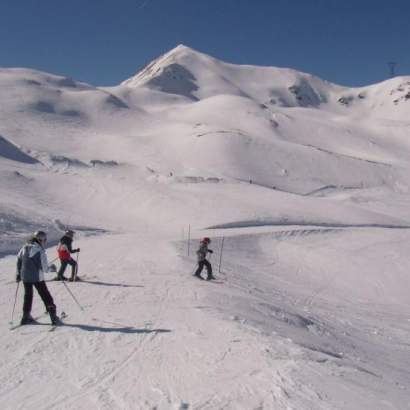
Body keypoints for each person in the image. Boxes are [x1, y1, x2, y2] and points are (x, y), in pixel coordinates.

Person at [16, 231, 60, 325]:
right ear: (40, 239)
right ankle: (53, 316)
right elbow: (45, 268)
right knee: (45, 295)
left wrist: (18, 273)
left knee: (28, 295)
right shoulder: (40, 250)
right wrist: (52, 268)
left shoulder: (25, 247)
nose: (45, 242)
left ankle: (25, 316)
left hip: (25, 276)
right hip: (37, 277)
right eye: (44, 240)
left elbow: (18, 259)